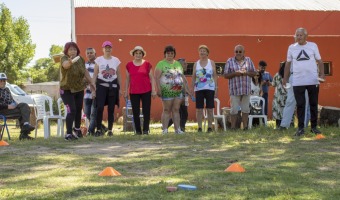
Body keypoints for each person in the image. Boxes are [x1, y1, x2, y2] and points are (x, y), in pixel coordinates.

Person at [283, 27, 325, 136]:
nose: (299, 37)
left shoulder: (313, 46)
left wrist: (322, 74)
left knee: (313, 104)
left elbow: (320, 61)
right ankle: (300, 129)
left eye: (301, 35)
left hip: (313, 80)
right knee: (300, 105)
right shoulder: (291, 48)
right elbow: (288, 64)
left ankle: (314, 127)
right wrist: (285, 78)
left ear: (306, 36)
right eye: (297, 35)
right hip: (297, 81)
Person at [60, 42, 95, 140]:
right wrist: (70, 62)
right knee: (72, 110)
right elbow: (65, 65)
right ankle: (68, 134)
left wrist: (92, 82)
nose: (73, 51)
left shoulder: (80, 59)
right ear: (67, 51)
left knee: (79, 109)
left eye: (74, 49)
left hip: (79, 88)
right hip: (66, 89)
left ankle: (77, 129)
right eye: (70, 49)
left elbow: (85, 72)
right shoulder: (64, 58)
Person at [155, 45, 189, 134]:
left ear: (174, 54)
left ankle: (177, 129)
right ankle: (165, 129)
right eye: (168, 53)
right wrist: (158, 89)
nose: (170, 55)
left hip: (178, 91)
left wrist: (185, 89)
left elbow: (182, 76)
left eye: (172, 53)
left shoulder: (177, 64)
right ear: (165, 54)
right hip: (166, 91)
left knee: (176, 109)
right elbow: (156, 77)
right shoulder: (161, 64)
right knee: (166, 110)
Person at [92, 41, 122, 137]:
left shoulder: (116, 60)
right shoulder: (99, 60)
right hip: (101, 86)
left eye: (109, 47)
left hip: (112, 87)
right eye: (106, 47)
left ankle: (110, 129)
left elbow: (119, 75)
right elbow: (95, 74)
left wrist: (120, 88)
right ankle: (99, 129)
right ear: (103, 49)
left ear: (111, 49)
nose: (107, 49)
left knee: (111, 109)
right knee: (99, 107)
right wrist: (93, 89)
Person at [124, 46, 156, 135]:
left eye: (140, 53)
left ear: (143, 54)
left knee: (146, 111)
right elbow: (127, 79)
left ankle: (146, 130)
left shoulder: (147, 64)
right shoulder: (129, 65)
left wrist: (153, 90)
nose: (138, 55)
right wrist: (126, 91)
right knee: (135, 111)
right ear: (133, 54)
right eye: (136, 53)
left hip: (146, 90)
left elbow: (152, 78)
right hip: (134, 91)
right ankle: (138, 131)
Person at [224, 45, 256, 130]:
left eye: (240, 51)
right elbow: (225, 75)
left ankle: (245, 127)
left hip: (246, 89)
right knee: (234, 110)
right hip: (234, 89)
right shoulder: (229, 61)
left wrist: (246, 73)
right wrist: (235, 73)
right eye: (236, 51)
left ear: (243, 52)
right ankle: (233, 127)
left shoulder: (248, 60)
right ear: (234, 52)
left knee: (245, 109)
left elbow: (254, 73)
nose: (238, 53)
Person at [0, 73, 35, 140]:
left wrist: (15, 103)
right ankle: (24, 134)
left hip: (11, 109)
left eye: (4, 80)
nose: (2, 82)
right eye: (1, 80)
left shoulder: (7, 89)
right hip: (3, 111)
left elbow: (11, 100)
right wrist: (7, 106)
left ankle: (25, 126)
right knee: (23, 112)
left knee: (24, 105)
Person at [192, 45, 218, 133]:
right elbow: (193, 77)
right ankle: (199, 127)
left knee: (210, 108)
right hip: (199, 89)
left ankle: (210, 127)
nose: (202, 52)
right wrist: (192, 89)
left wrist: (216, 88)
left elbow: (214, 75)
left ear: (207, 53)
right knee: (199, 108)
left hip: (210, 88)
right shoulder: (196, 64)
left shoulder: (211, 62)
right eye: (200, 51)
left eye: (204, 51)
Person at [83, 47, 107, 136]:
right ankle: (102, 128)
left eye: (91, 53)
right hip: (87, 93)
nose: (89, 54)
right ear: (86, 55)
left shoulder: (99, 64)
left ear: (95, 54)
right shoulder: (84, 65)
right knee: (87, 113)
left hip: (96, 92)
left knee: (93, 114)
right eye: (88, 53)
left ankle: (91, 131)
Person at [168, 58, 190, 132]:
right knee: (183, 113)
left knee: (181, 113)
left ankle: (167, 125)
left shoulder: (182, 74)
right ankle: (181, 128)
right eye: (184, 63)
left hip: (184, 97)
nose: (186, 65)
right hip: (179, 96)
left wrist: (189, 94)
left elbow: (185, 86)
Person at [272, 62, 287, 129]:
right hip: (287, 95)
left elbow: (273, 84)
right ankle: (289, 125)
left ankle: (278, 126)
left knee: (278, 111)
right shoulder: (290, 75)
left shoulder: (277, 75)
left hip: (278, 96)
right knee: (287, 110)